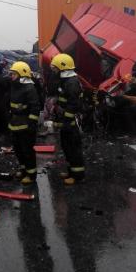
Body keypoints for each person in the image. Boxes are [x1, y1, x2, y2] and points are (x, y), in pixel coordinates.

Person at [49, 53, 85, 185]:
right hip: (66, 122)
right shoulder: (66, 81)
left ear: (63, 68)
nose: (54, 71)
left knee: (73, 149)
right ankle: (71, 172)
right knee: (67, 148)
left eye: (55, 69)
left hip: (70, 123)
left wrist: (65, 121)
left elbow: (73, 105)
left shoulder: (72, 83)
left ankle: (77, 175)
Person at [8, 61, 41, 185]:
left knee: (27, 151)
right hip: (15, 124)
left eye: (13, 74)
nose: (11, 76)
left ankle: (31, 175)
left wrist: (32, 124)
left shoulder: (29, 88)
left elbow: (35, 107)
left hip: (26, 126)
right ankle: (23, 169)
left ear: (21, 74)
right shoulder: (15, 86)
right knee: (18, 150)